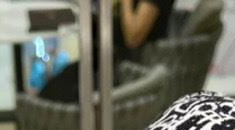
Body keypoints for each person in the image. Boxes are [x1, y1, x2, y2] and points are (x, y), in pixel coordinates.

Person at [38, 0, 176, 102]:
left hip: (127, 71)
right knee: (50, 90)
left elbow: (133, 37)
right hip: (105, 64)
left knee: (54, 96)